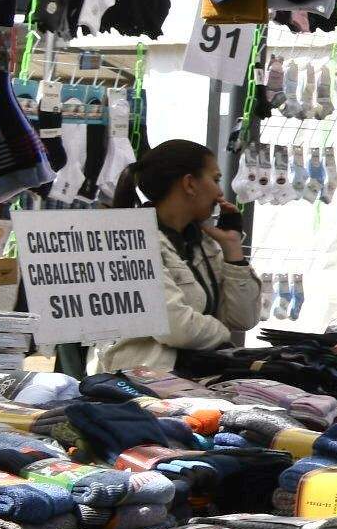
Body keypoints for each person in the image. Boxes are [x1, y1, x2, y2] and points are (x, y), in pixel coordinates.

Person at [97, 141, 262, 374]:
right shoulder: (133, 244)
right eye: (215, 179)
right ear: (189, 184)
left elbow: (243, 319)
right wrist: (223, 334)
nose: (220, 192)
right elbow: (176, 327)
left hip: (197, 377)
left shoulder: (204, 244)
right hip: (147, 380)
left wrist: (233, 249)